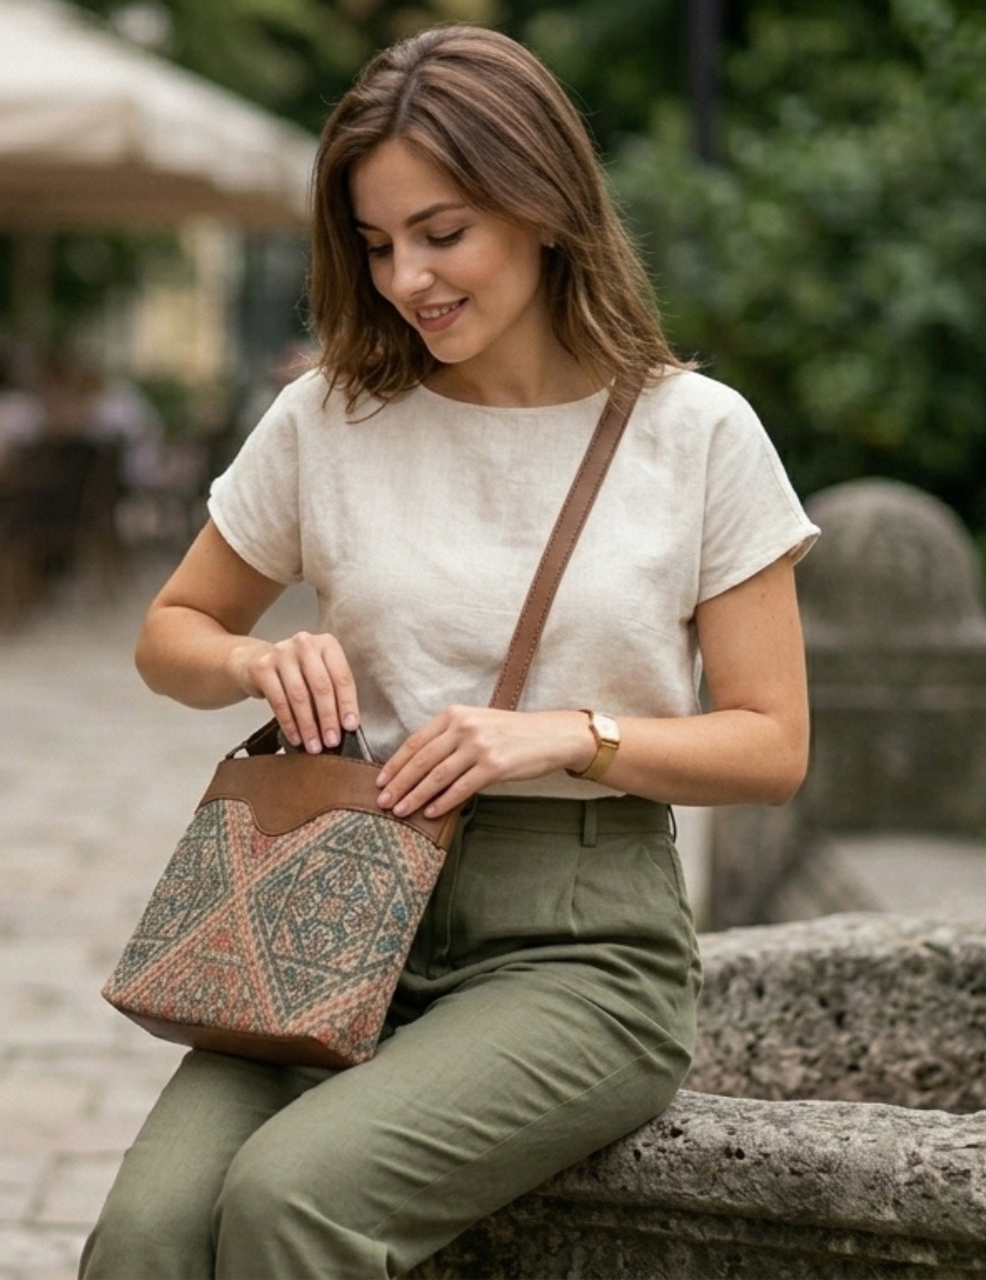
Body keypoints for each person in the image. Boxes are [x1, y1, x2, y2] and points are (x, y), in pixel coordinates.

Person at [80, 24, 818, 1280]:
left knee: (288, 1198)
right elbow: (172, 632)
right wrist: (255, 665)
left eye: (441, 231)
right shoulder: (328, 416)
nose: (405, 277)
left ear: (539, 204)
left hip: (579, 947)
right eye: (374, 244)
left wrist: (567, 735)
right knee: (146, 1235)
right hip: (336, 908)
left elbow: (771, 743)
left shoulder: (697, 434)